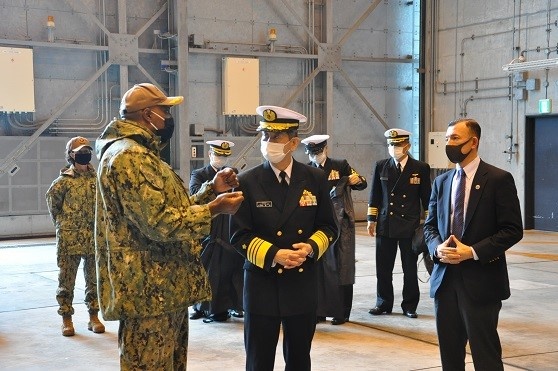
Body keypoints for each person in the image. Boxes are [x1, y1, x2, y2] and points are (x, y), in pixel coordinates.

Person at [94, 83, 244, 370]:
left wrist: (211, 190)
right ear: (148, 114)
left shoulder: (143, 153)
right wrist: (214, 209)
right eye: (165, 110)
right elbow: (161, 224)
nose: (169, 116)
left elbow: (167, 211)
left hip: (163, 290)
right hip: (148, 293)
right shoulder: (130, 156)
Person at [230, 105, 338, 371]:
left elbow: (329, 227)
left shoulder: (315, 178)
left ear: (293, 142)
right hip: (261, 285)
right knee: (258, 361)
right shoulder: (247, 180)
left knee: (300, 360)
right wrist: (274, 254)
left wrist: (311, 247)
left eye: (275, 137)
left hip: (301, 284)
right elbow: (239, 234)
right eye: (265, 136)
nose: (268, 143)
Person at [423, 118, 523, 370]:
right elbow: (430, 227)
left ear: (473, 142)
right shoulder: (442, 182)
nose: (449, 144)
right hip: (445, 282)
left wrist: (473, 252)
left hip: (481, 282)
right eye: (447, 139)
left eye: (455, 138)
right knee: (450, 356)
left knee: (485, 355)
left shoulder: (499, 179)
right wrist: (436, 248)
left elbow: (512, 230)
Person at [301, 134, 367, 325]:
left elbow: (362, 182)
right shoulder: (305, 170)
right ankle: (319, 310)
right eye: (312, 153)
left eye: (318, 152)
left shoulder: (340, 165)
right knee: (319, 268)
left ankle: (342, 312)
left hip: (340, 224)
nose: (315, 156)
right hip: (315, 225)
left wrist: (356, 180)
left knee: (342, 267)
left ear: (326, 149)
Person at [367, 128, 431, 318]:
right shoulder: (381, 166)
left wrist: (429, 221)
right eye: (391, 145)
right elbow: (375, 194)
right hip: (386, 224)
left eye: (398, 144)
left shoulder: (420, 168)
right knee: (383, 268)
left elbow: (427, 198)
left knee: (409, 269)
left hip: (409, 226)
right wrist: (371, 219)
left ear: (408, 146)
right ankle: (383, 303)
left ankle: (410, 306)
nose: (394, 148)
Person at [45, 136, 105, 337]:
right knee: (66, 282)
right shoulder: (62, 183)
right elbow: (54, 209)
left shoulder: (98, 180)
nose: (84, 154)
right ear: (71, 155)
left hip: (94, 240)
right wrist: (65, 227)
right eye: (79, 151)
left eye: (87, 150)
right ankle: (66, 319)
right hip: (70, 241)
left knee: (94, 281)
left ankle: (94, 317)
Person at [189, 140, 244, 323]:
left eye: (224, 156)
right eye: (218, 155)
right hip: (208, 226)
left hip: (227, 226)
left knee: (229, 269)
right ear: (210, 155)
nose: (221, 159)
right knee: (207, 268)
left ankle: (230, 306)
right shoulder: (200, 174)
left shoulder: (232, 174)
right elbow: (195, 195)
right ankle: (202, 307)